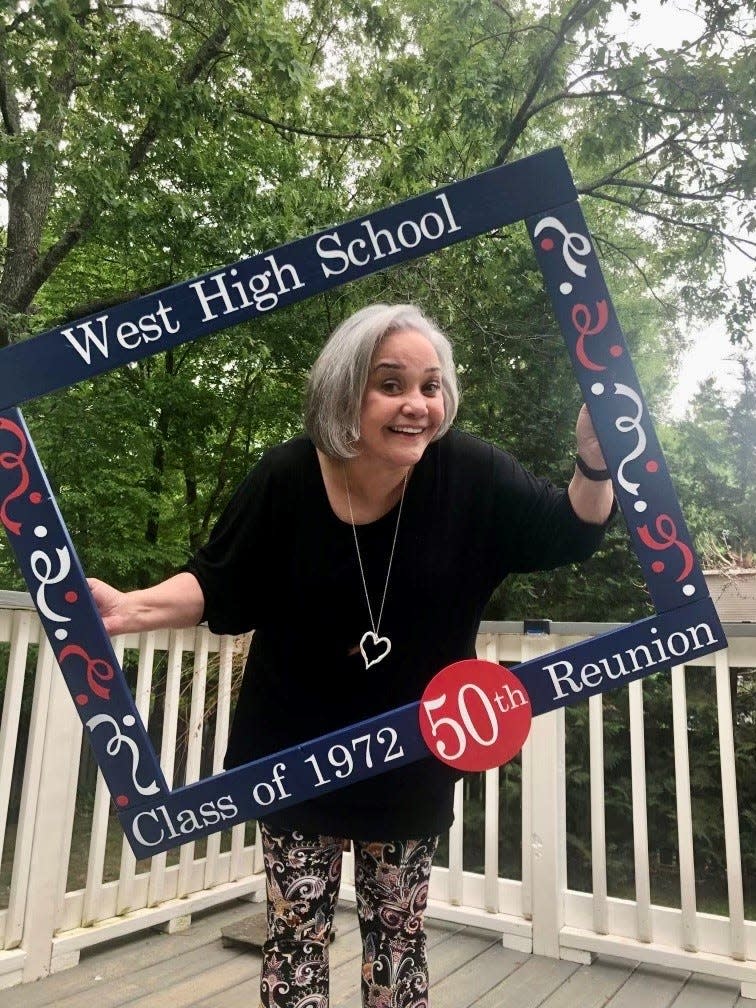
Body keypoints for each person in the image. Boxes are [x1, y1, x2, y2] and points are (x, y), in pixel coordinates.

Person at [90, 302, 614, 1008]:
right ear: (345, 392)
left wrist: (595, 460)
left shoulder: (474, 475)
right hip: (296, 753)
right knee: (296, 935)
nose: (417, 406)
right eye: (391, 384)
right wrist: (130, 608)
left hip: (411, 752)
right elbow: (220, 582)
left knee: (399, 939)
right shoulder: (286, 477)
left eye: (431, 387)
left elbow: (569, 530)